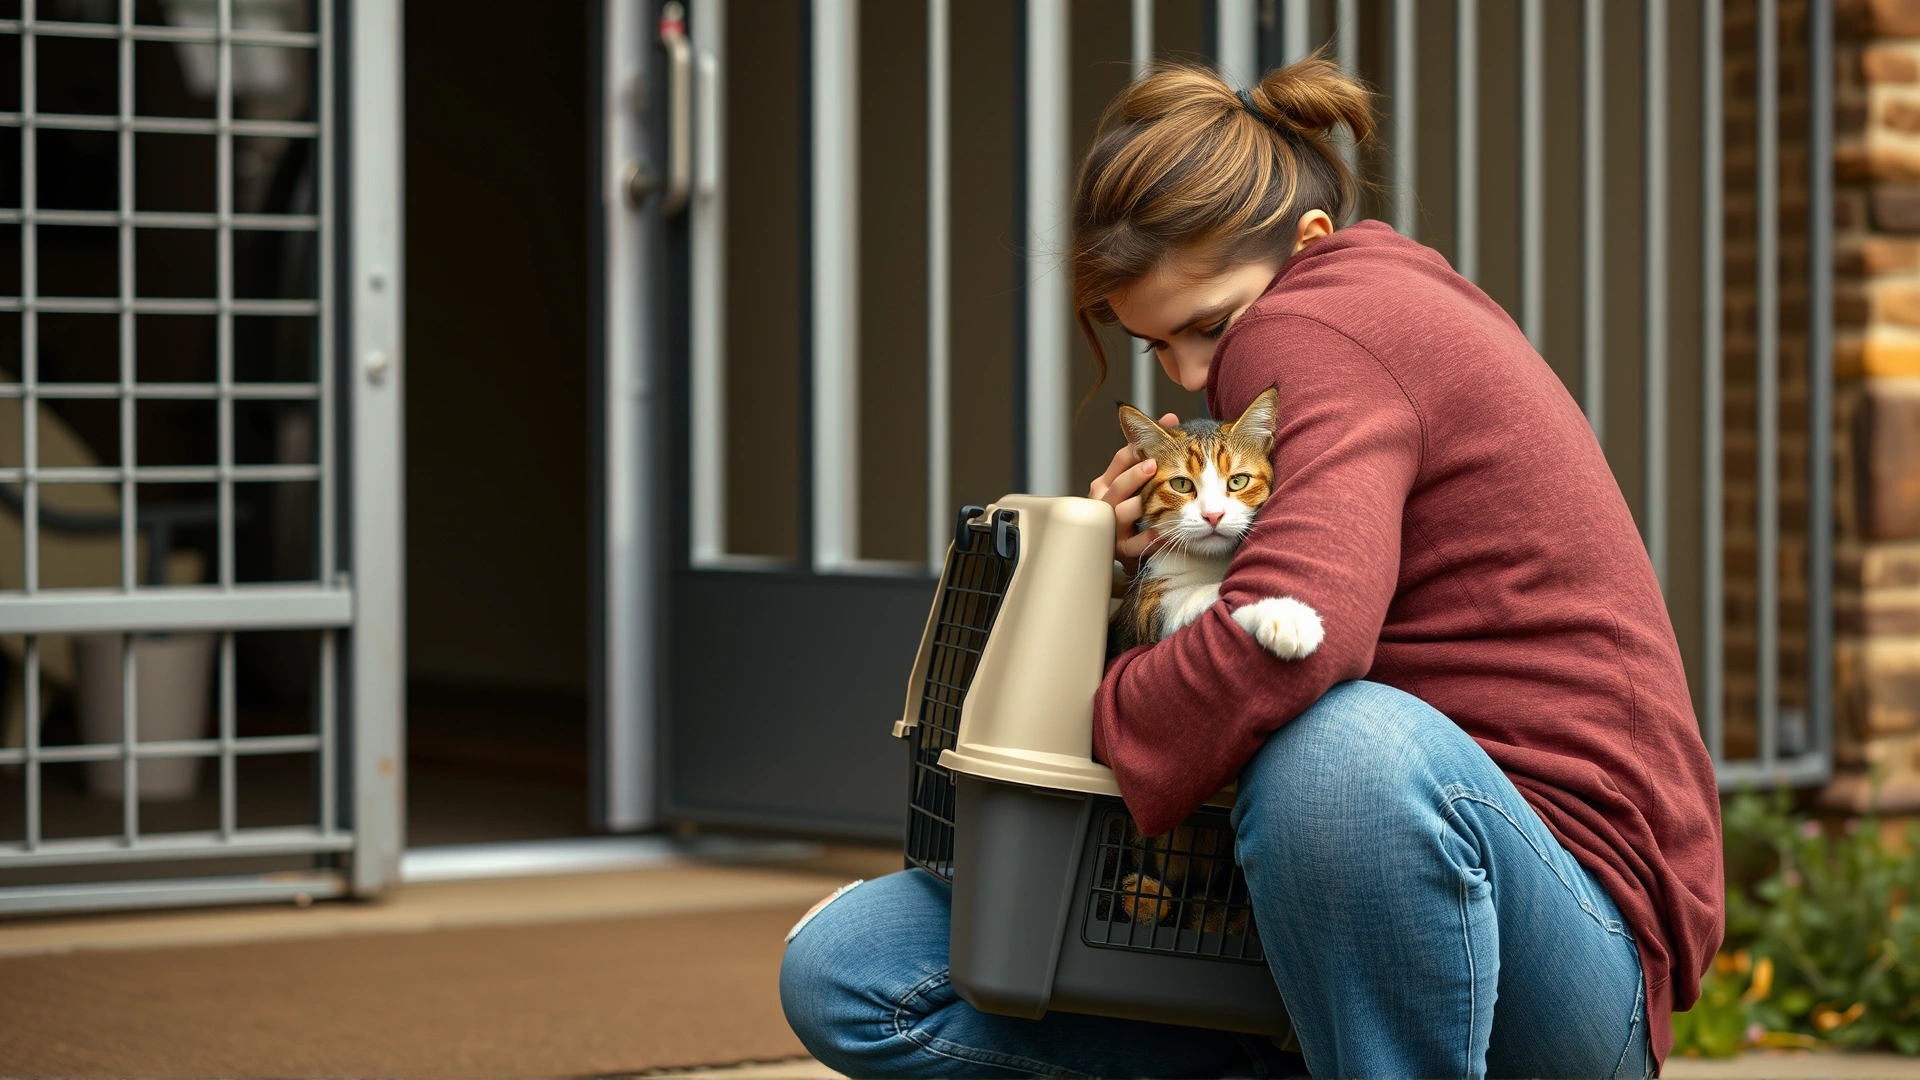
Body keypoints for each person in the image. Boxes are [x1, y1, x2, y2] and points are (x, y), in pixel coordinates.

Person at [781, 56, 1722, 1079]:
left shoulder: (1324, 319)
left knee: (1343, 756)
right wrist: (1125, 581)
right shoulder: (1340, 313)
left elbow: (1301, 632)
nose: (1198, 377)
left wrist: (1104, 709)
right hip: (1326, 923)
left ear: (1306, 247)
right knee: (859, 969)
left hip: (1561, 943)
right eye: (1158, 348)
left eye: (1210, 326)